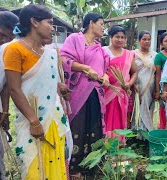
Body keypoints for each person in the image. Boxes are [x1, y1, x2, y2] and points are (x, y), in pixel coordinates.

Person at [3, 4, 70, 179]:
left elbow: (48, 82)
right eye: (49, 22)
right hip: (32, 121)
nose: (52, 28)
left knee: (55, 163)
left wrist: (60, 88)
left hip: (54, 118)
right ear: (34, 22)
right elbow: (14, 88)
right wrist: (34, 121)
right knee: (34, 166)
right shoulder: (14, 49)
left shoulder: (50, 53)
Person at [60, 12, 110, 178]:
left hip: (96, 94)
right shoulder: (75, 38)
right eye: (101, 23)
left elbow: (105, 70)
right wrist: (86, 68)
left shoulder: (100, 48)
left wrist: (105, 77)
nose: (103, 27)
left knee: (93, 126)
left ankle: (91, 165)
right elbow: (64, 60)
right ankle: (74, 168)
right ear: (91, 23)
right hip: (78, 93)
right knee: (78, 126)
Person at [0, 10, 18, 180]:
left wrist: (5, 111)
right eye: (1, 34)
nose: (4, 40)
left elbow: (5, 84)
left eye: (9, 38)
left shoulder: (4, 51)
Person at [104, 25, 137, 140]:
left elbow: (134, 73)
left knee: (120, 116)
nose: (120, 40)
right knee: (106, 116)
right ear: (111, 37)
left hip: (122, 92)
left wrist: (129, 83)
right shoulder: (103, 51)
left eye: (123, 37)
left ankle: (118, 141)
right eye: (117, 37)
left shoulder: (129, 54)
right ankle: (105, 141)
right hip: (106, 91)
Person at [132, 31, 157, 131]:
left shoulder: (155, 55)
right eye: (144, 39)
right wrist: (133, 83)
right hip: (137, 85)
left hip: (150, 86)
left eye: (149, 39)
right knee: (137, 106)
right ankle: (136, 131)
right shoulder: (133, 54)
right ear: (139, 41)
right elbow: (130, 71)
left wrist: (156, 89)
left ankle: (147, 130)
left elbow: (157, 73)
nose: (147, 41)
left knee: (148, 107)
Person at [154, 32, 167, 129]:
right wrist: (158, 91)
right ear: (162, 44)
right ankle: (164, 130)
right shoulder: (159, 56)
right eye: (166, 41)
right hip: (164, 87)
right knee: (164, 109)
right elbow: (158, 75)